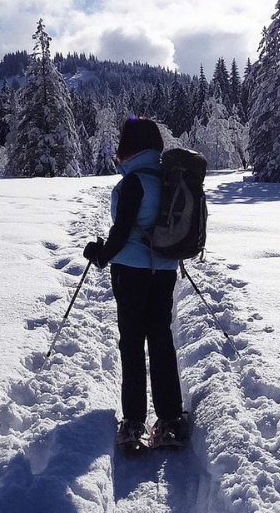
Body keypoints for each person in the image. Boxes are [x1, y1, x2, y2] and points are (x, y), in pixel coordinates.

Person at [83, 116, 189, 447]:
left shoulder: (134, 182)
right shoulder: (169, 178)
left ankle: (133, 423)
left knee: (131, 342)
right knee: (160, 338)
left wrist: (99, 255)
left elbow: (122, 231)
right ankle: (170, 419)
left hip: (130, 271)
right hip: (165, 269)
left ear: (130, 146)